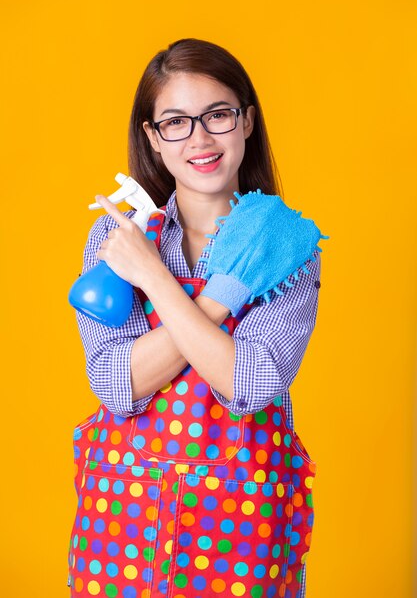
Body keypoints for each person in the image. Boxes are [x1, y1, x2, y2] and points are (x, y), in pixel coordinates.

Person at [67, 38, 322, 598]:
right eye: (176, 122)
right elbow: (117, 383)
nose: (200, 139)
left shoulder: (288, 246)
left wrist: (155, 280)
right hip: (123, 522)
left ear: (247, 121)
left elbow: (248, 383)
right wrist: (222, 301)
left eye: (218, 115)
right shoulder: (116, 244)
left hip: (245, 526)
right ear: (153, 140)